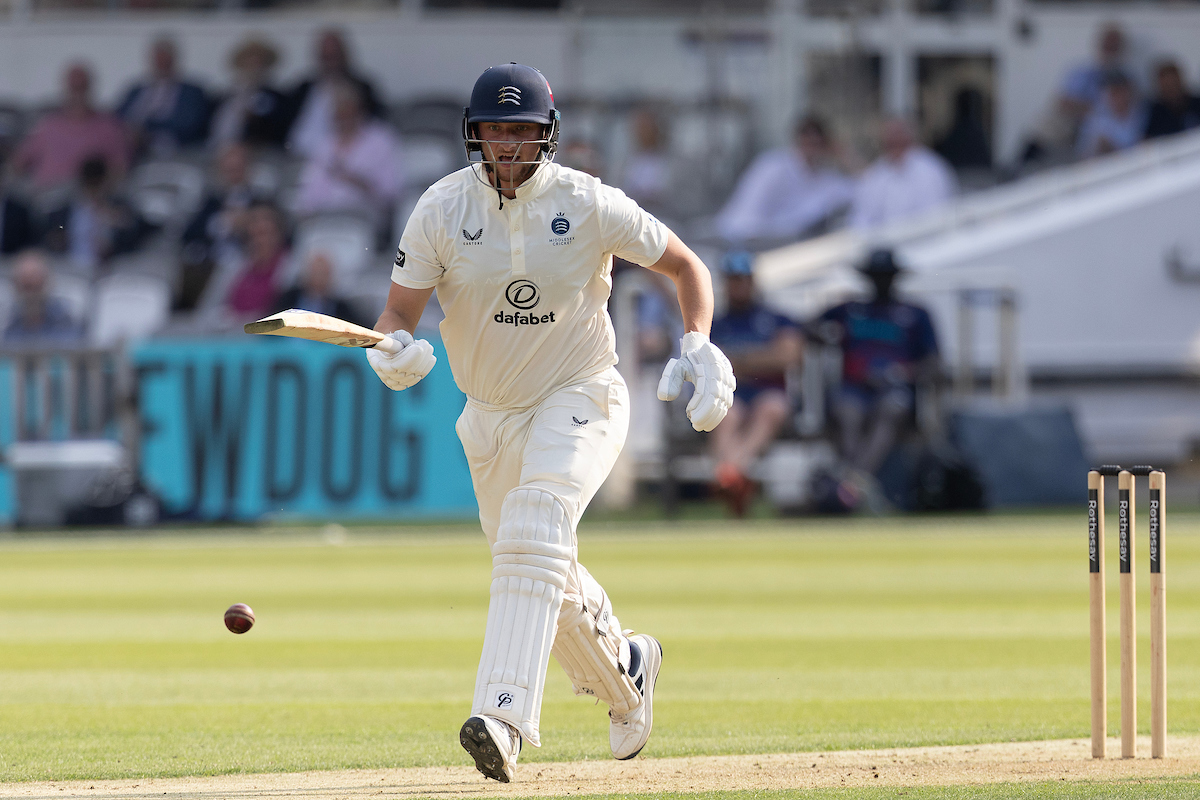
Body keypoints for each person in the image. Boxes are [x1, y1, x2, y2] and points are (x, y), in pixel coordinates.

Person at [367, 63, 734, 783]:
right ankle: (627, 670)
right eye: (495, 131)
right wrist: (393, 350)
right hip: (489, 416)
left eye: (522, 131)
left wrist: (699, 343)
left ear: (547, 136)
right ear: (474, 135)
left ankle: (501, 717)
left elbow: (687, 266)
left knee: (535, 525)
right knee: (539, 571)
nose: (508, 145)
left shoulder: (587, 201)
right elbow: (397, 313)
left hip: (580, 394)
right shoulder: (441, 207)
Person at [811, 249, 939, 477]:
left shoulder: (915, 313)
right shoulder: (851, 310)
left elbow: (932, 360)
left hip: (894, 388)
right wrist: (827, 336)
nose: (881, 281)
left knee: (890, 410)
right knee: (846, 412)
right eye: (876, 276)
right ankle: (856, 482)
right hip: (854, 387)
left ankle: (853, 480)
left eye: (886, 276)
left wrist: (905, 373)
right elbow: (808, 326)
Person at [707, 251, 803, 517]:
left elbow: (789, 356)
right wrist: (761, 358)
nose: (738, 286)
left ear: (752, 281)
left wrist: (741, 361)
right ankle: (735, 478)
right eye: (733, 280)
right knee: (725, 413)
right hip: (731, 394)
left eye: (742, 279)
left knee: (771, 408)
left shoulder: (775, 318)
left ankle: (729, 473)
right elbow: (707, 360)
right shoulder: (715, 322)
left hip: (768, 392)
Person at [714, 116, 854, 246]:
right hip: (750, 242)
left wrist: (844, 155)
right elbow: (744, 219)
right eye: (808, 141)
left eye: (817, 143)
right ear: (797, 140)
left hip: (790, 246)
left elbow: (858, 191)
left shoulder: (825, 177)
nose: (812, 148)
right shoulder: (773, 166)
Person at [293, 81, 401, 227]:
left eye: (347, 113)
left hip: (364, 218)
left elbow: (391, 192)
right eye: (338, 114)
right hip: (324, 216)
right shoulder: (325, 144)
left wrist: (359, 182)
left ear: (359, 110)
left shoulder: (381, 140)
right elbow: (308, 191)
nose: (343, 120)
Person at [10, 63, 130, 190]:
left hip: (83, 195)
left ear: (90, 88)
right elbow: (18, 163)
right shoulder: (49, 125)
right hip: (44, 193)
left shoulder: (108, 127)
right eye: (74, 87)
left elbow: (119, 170)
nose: (78, 93)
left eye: (81, 87)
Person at [178, 142, 262, 310]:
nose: (233, 176)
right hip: (209, 266)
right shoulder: (210, 203)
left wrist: (246, 224)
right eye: (228, 170)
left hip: (246, 265)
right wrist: (219, 224)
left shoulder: (259, 203)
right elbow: (188, 235)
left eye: (237, 169)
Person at [285, 28, 383, 158]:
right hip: (294, 156)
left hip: (341, 158)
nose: (330, 62)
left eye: (334, 56)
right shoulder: (303, 88)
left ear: (344, 55)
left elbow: (373, 124)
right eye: (326, 57)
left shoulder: (362, 88)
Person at [42, 157, 150, 273]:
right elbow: (51, 236)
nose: (94, 191)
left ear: (106, 183)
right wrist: (60, 237)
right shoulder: (64, 212)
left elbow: (138, 237)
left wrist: (120, 222)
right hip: (71, 267)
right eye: (90, 185)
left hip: (113, 269)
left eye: (97, 185)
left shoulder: (120, 208)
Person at [848, 117, 956, 230]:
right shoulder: (874, 176)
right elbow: (861, 220)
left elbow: (937, 215)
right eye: (890, 137)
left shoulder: (931, 170)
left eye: (898, 134)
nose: (895, 140)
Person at [116, 37, 210, 157]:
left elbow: (191, 125)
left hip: (172, 151)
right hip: (129, 149)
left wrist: (148, 131)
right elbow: (117, 118)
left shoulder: (192, 93)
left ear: (174, 61)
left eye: (165, 60)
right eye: (158, 60)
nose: (161, 64)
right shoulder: (135, 91)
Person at [209, 37, 290, 150]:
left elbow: (275, 129)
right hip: (217, 150)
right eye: (248, 61)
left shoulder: (274, 97)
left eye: (258, 62)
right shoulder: (225, 96)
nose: (253, 67)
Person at [4, 249, 83, 344]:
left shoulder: (64, 321)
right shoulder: (8, 323)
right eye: (26, 286)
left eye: (36, 285)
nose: (31, 295)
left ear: (47, 282)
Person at [272, 250, 368, 327]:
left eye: (323, 273)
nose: (319, 278)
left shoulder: (342, 309)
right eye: (316, 272)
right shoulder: (287, 300)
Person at [1076, 71, 1145, 159]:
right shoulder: (1095, 120)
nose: (1118, 97)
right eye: (1113, 93)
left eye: (1121, 91)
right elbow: (1084, 156)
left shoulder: (1143, 111)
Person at [1143, 60, 1200, 140]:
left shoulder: (1197, 103)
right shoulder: (1155, 114)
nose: (1171, 88)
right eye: (1167, 85)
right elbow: (1149, 141)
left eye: (1173, 82)